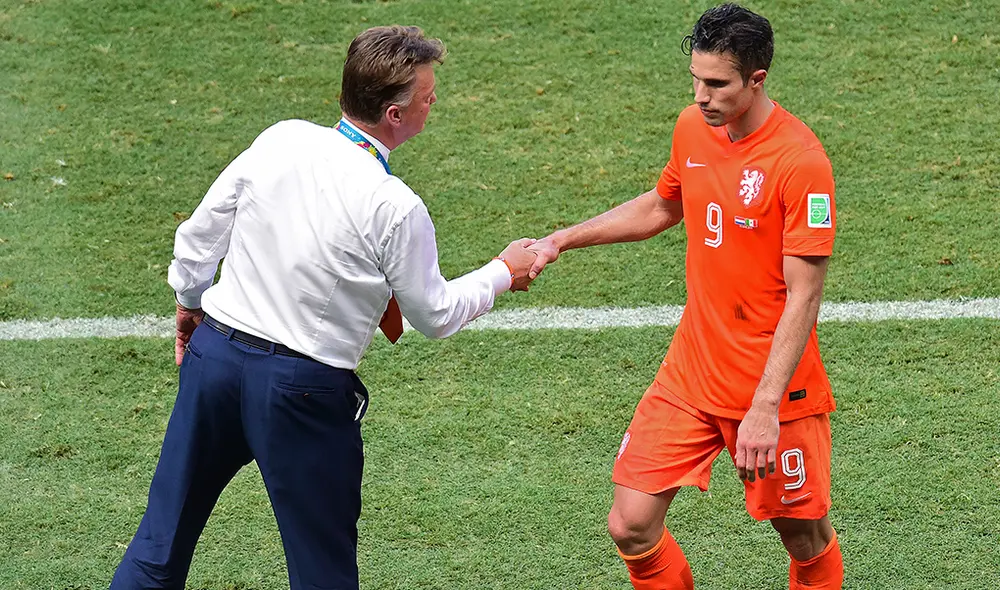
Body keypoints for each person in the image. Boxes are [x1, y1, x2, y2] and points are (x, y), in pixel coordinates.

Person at [110, 25, 536, 590]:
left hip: (214, 362)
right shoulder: (395, 206)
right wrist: (503, 271)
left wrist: (190, 303)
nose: (434, 104)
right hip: (300, 393)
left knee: (158, 546)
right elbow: (434, 315)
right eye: (429, 98)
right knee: (322, 574)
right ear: (394, 115)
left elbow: (198, 237)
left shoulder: (281, 138)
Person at [527, 4, 843, 589]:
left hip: (774, 388)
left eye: (717, 83)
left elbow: (804, 297)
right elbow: (662, 205)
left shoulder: (800, 162)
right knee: (631, 524)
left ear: (757, 79)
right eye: (695, 79)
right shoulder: (693, 127)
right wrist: (561, 239)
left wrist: (765, 407)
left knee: (804, 537)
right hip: (692, 371)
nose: (701, 95)